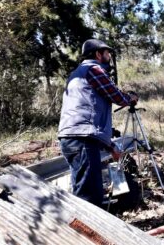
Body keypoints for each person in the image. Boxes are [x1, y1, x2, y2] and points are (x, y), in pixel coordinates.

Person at [58, 38, 138, 206]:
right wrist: (130, 98)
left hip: (71, 138)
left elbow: (87, 117)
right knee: (90, 197)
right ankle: (87, 231)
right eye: (107, 53)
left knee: (82, 190)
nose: (109, 56)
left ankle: (82, 226)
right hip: (81, 140)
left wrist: (110, 146)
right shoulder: (93, 69)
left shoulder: (76, 74)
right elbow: (116, 96)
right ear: (98, 54)